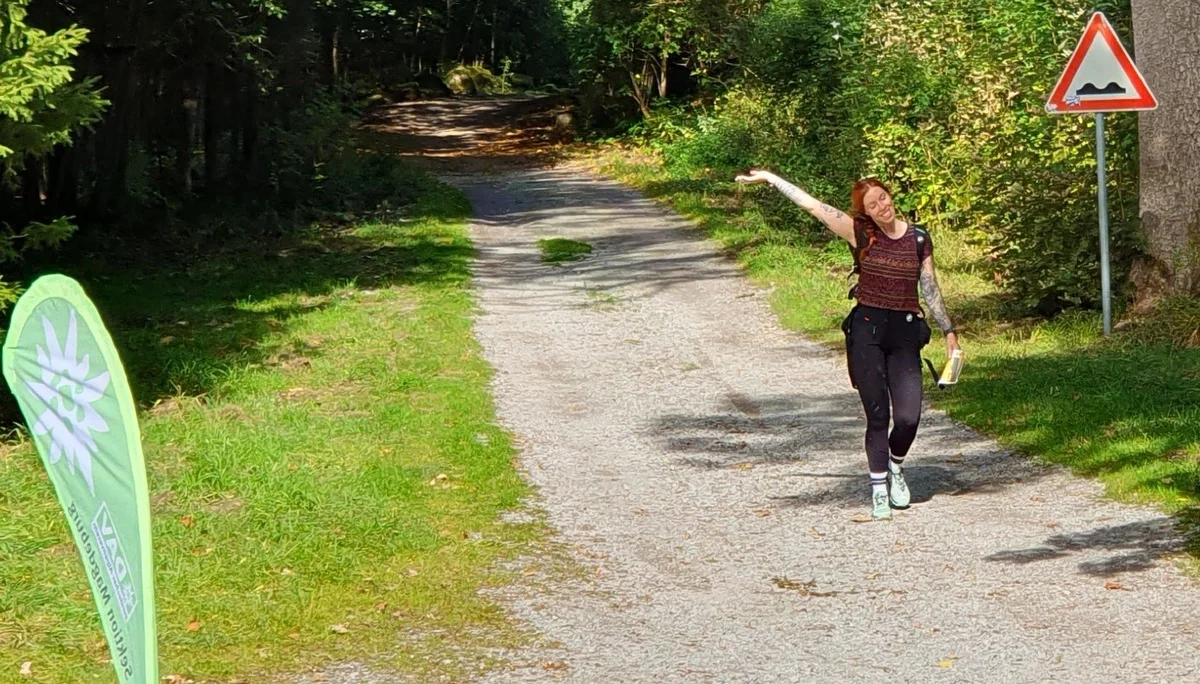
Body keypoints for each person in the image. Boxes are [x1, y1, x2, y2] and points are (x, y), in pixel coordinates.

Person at [734, 169, 961, 521]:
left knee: (908, 418)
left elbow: (929, 288)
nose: (881, 206)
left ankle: (896, 466)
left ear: (890, 197)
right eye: (872, 204)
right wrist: (771, 179)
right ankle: (878, 491)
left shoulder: (918, 238)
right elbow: (814, 206)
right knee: (878, 417)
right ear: (865, 212)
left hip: (904, 334)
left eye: (883, 197)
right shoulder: (860, 234)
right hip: (867, 332)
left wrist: (949, 331)